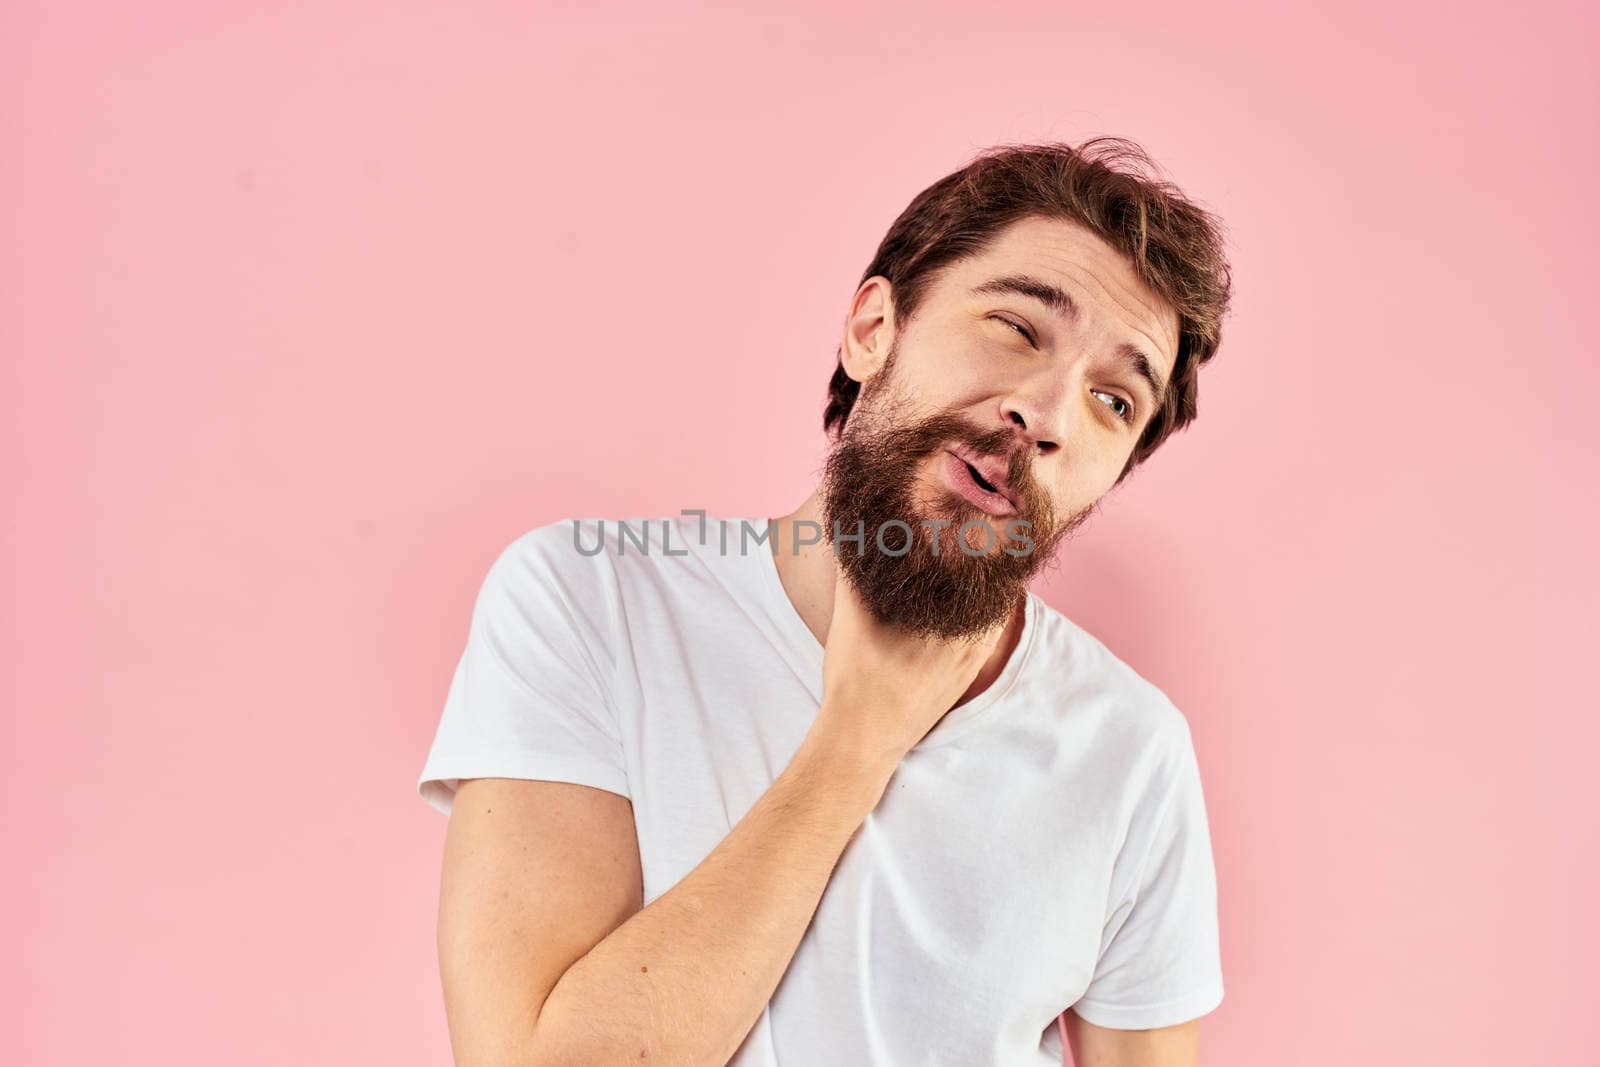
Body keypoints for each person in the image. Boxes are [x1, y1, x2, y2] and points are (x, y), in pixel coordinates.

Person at [417, 136, 1233, 1066]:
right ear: (872, 330)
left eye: (1114, 400)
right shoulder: (590, 600)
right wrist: (858, 738)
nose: (1046, 416)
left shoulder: (1130, 746)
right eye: (1017, 327)